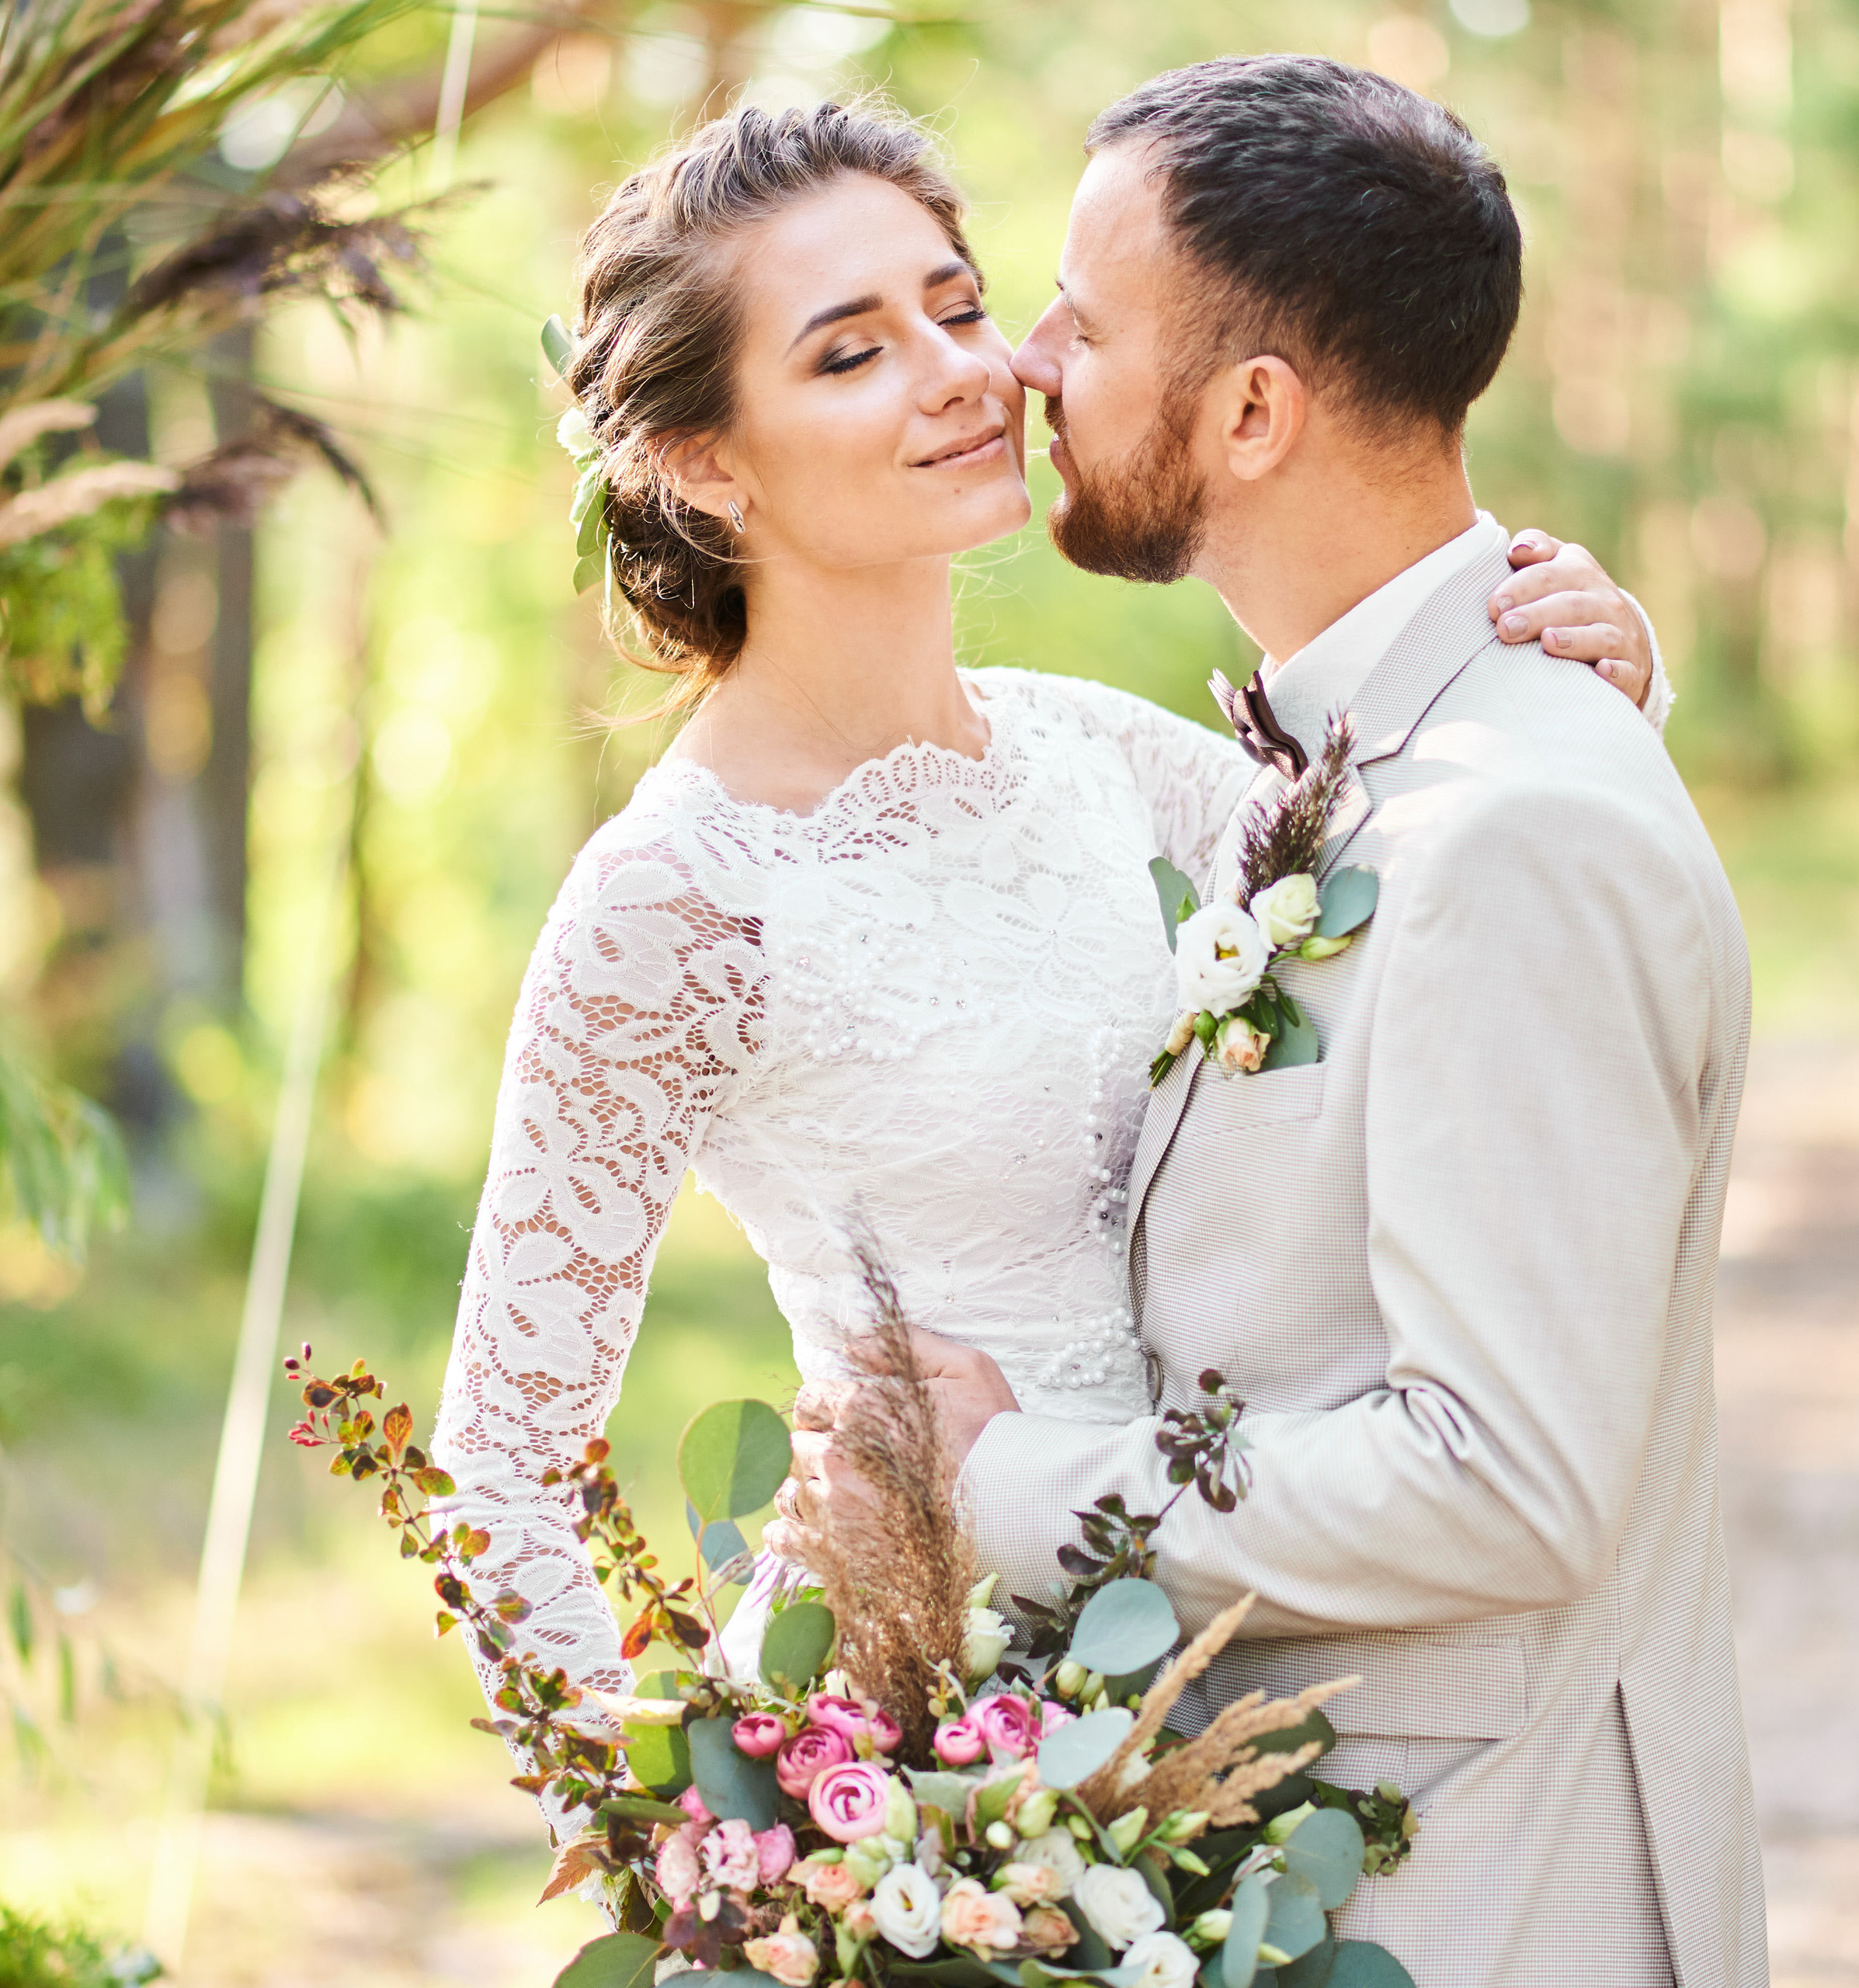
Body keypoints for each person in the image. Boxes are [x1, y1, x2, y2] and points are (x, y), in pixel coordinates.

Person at [430, 99, 1664, 1830]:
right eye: (850, 352)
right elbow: (500, 1459)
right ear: (705, 460)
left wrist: (1582, 676)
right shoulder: (672, 900)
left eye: (957, 305)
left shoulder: (1090, 753)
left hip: (1233, 1675)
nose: (959, 369)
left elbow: (1449, 891)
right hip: (933, 1764)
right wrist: (667, 1842)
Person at [786, 57, 1766, 1988]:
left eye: (1083, 317)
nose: (1025, 365)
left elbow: (1503, 1475)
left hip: (1484, 1896)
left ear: (1249, 410)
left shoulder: (1510, 823)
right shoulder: (1387, 749)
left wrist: (991, 1486)